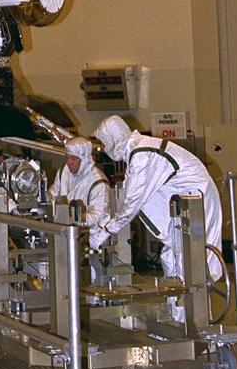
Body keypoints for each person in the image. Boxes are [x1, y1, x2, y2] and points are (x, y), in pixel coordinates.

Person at [93, 115, 224, 292]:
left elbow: (133, 201)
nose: (105, 149)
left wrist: (108, 230)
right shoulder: (138, 152)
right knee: (171, 258)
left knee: (190, 267)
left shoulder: (143, 155)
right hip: (182, 207)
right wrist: (105, 222)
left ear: (113, 140)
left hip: (195, 203)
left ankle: (192, 316)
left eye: (105, 143)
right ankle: (177, 315)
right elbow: (127, 193)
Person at [48, 136, 112, 233]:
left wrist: (71, 217)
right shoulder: (64, 172)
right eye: (68, 158)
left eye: (73, 159)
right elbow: (53, 196)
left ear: (85, 160)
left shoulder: (98, 183)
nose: (69, 163)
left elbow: (97, 218)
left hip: (85, 237)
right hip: (62, 231)